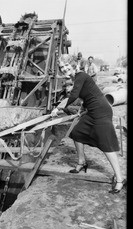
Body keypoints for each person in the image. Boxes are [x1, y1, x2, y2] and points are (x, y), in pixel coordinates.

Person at [51, 55, 126, 194]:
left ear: (73, 64)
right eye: (61, 67)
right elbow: (88, 94)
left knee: (106, 144)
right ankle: (81, 162)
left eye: (66, 65)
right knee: (77, 133)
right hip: (91, 111)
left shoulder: (81, 75)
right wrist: (82, 108)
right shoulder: (77, 78)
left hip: (101, 111)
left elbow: (73, 95)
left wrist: (59, 107)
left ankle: (120, 179)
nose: (64, 69)